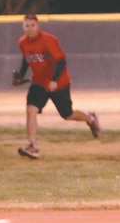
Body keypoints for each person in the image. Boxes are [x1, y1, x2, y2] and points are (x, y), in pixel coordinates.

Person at [13, 13, 101, 159]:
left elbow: (61, 61)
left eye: (32, 25)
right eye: (26, 25)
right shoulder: (22, 42)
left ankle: (90, 119)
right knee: (31, 110)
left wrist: (54, 80)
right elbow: (26, 59)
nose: (30, 28)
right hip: (39, 83)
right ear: (23, 27)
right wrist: (21, 75)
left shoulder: (48, 40)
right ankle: (33, 146)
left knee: (67, 114)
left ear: (38, 26)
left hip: (59, 82)